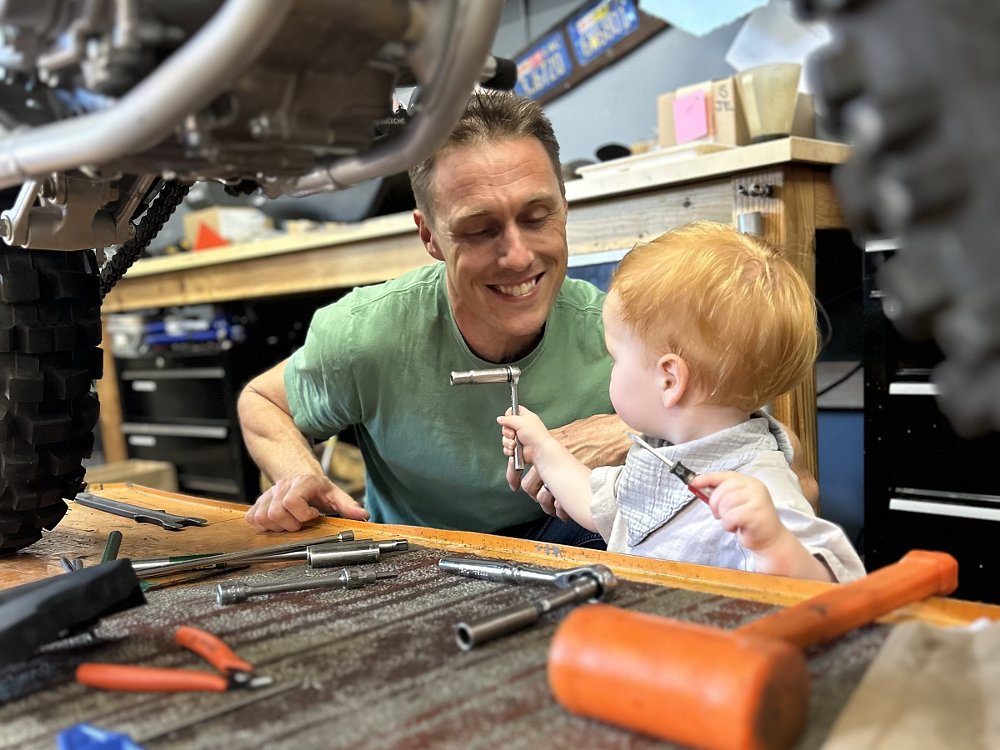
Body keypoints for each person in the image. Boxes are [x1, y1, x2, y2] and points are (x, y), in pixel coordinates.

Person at [238, 90, 818, 548]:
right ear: (429, 236)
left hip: (571, 559)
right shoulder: (366, 333)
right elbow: (261, 402)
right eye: (479, 228)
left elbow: (789, 472)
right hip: (419, 568)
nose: (517, 256)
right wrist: (295, 478)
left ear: (565, 209)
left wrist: (634, 436)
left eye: (537, 217)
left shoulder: (627, 336)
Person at [498, 222, 864, 581]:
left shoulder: (758, 485)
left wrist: (773, 543)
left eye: (616, 358)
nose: (611, 369)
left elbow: (830, 584)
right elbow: (593, 504)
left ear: (669, 379)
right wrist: (542, 447)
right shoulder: (664, 453)